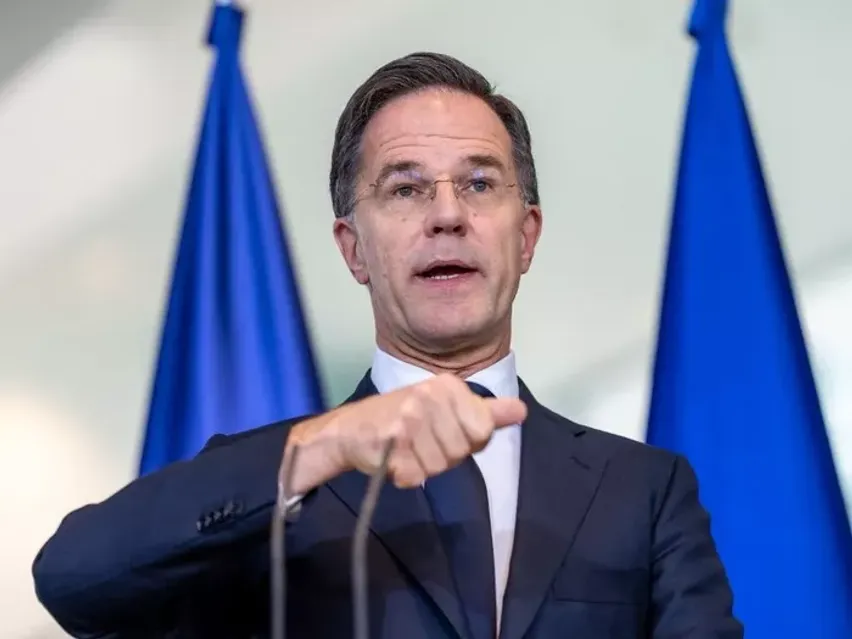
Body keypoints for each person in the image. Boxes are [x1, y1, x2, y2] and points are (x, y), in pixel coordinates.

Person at [32, 52, 743, 639]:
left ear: (525, 236)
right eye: (405, 190)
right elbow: (74, 580)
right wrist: (325, 445)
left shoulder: (644, 491)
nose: (447, 214)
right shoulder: (277, 479)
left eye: (479, 183)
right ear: (354, 249)